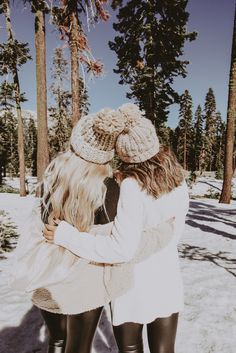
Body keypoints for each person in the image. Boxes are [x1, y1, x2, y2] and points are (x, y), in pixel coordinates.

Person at [10, 107, 174, 353]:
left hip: (45, 276)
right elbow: (123, 248)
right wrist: (163, 232)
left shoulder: (51, 180)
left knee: (57, 342)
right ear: (107, 154)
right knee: (78, 347)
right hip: (84, 284)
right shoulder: (108, 190)